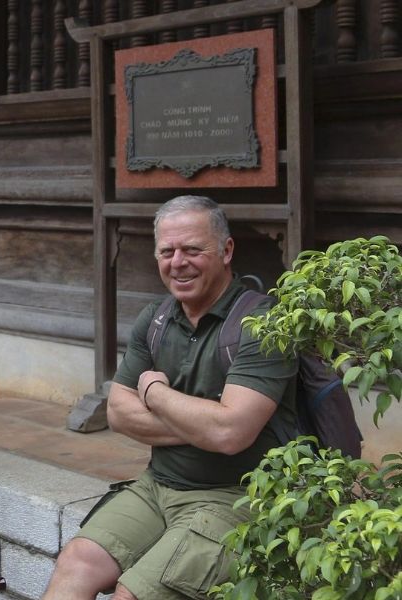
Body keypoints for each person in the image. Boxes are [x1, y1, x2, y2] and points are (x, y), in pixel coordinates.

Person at [42, 196, 298, 600]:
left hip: (235, 498)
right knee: (76, 563)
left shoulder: (262, 323)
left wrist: (154, 391)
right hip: (157, 487)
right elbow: (119, 414)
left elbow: (230, 433)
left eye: (193, 249)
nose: (178, 262)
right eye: (167, 251)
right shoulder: (157, 318)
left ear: (226, 250)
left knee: (132, 595)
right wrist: (205, 424)